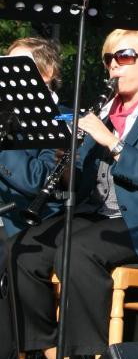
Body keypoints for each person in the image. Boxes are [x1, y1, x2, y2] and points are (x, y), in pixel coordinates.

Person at [11, 29, 138, 359]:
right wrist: (67, 163)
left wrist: (111, 142)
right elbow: (79, 182)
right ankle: (53, 352)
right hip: (96, 215)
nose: (114, 67)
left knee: (78, 251)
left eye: (124, 57)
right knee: (20, 251)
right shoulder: (100, 112)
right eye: (109, 59)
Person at [0, 37, 63, 237]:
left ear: (48, 72)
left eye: (17, 66)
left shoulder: (62, 120)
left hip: (21, 225)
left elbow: (41, 180)